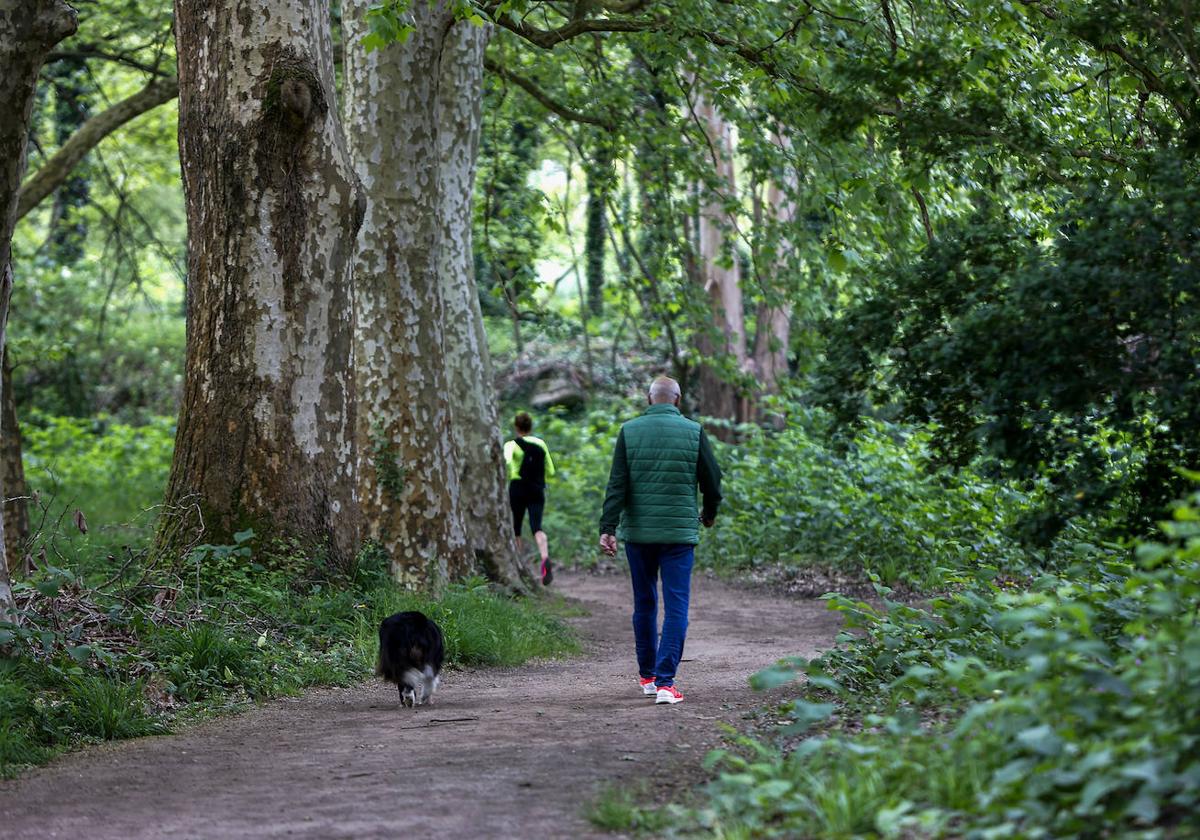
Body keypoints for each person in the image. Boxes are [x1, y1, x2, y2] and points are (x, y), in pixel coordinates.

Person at [599, 376, 722, 705]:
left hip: (638, 534)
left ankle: (649, 677)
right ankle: (667, 684)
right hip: (679, 535)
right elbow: (713, 480)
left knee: (645, 604)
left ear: (649, 399)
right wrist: (709, 512)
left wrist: (607, 527)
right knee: (677, 606)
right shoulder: (694, 432)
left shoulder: (630, 430)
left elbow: (617, 484)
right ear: (678, 400)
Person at [504, 411, 556, 586]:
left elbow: (507, 463)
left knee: (516, 528)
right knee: (537, 527)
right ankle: (545, 557)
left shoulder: (511, 445)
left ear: (516, 427)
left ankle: (519, 563)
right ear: (530, 426)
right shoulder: (540, 443)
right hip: (536, 489)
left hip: (518, 488)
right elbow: (551, 471)